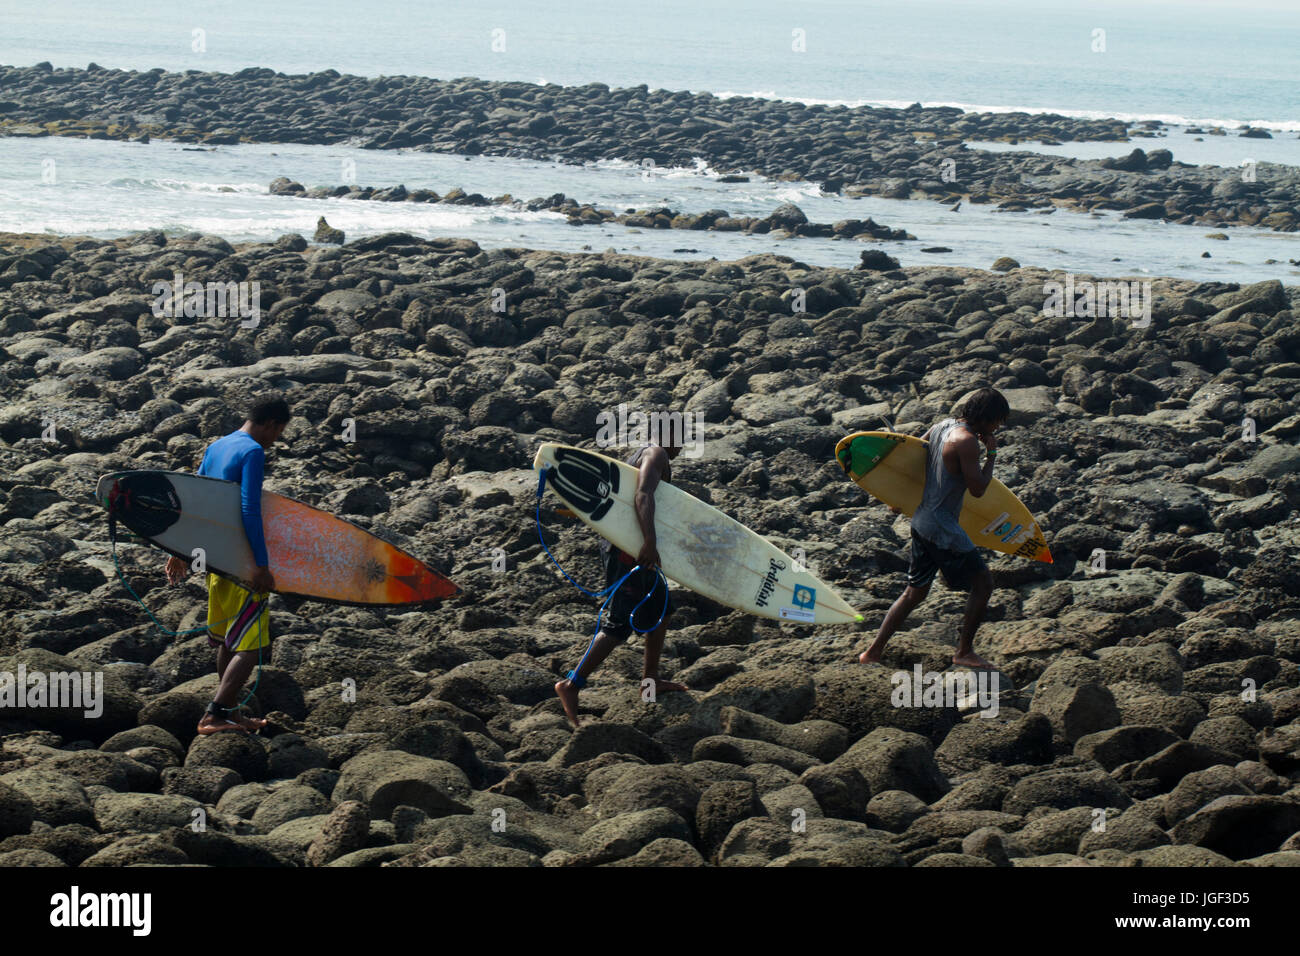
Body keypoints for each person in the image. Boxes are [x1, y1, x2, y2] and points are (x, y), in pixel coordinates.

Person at [859, 388, 1010, 670]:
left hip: (920, 523)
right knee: (983, 583)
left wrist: (898, 499)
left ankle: (872, 652)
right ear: (986, 418)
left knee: (914, 593)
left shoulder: (942, 425)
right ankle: (963, 651)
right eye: (997, 422)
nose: (997, 427)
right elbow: (978, 490)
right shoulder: (967, 443)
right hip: (942, 529)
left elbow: (913, 459)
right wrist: (992, 453)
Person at [165, 396, 291, 734]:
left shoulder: (218, 446)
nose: (275, 439)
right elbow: (250, 510)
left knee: (227, 641)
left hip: (213, 561)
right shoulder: (252, 451)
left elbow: (192, 500)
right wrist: (261, 566)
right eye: (278, 432)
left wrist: (179, 549)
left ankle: (231, 712)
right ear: (271, 424)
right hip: (240, 562)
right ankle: (215, 714)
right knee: (252, 646)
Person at [555, 426, 689, 726]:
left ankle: (650, 681)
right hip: (628, 551)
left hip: (628, 546)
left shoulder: (643, 453)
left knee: (662, 609)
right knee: (618, 625)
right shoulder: (656, 454)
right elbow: (642, 496)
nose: (682, 448)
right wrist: (650, 543)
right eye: (681, 441)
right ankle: (571, 685)